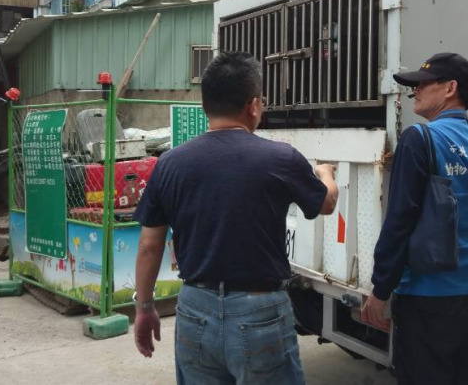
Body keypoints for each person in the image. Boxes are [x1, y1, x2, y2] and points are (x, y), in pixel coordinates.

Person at [133, 52, 339, 384]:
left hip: (195, 309)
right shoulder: (281, 158)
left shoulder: (170, 163)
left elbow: (148, 246)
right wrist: (325, 174)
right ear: (253, 105)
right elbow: (326, 204)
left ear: (205, 105)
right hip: (260, 310)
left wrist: (144, 308)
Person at [360, 53, 468, 385]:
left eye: (424, 83)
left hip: (430, 299)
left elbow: (400, 220)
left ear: (450, 89)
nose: (415, 90)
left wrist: (381, 289)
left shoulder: (420, 139)